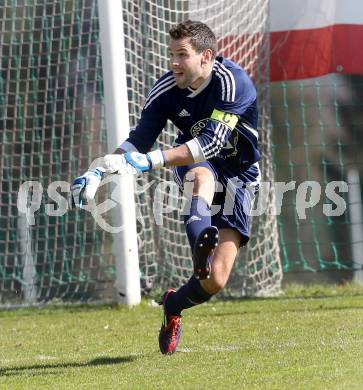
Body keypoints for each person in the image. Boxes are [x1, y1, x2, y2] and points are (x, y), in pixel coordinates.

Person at [70, 20, 261, 355]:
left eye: (181, 55)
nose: (173, 62)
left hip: (239, 175)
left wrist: (151, 161)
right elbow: (139, 140)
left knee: (215, 281)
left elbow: (212, 143)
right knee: (202, 178)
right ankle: (199, 249)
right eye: (170, 54)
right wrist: (98, 170)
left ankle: (173, 306)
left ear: (206, 57)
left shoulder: (233, 83)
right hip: (194, 163)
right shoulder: (166, 90)